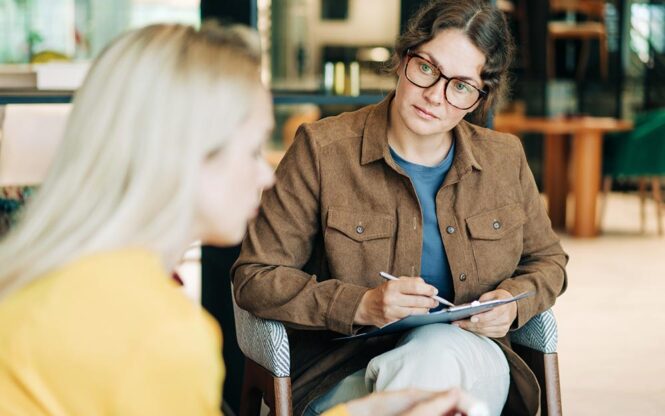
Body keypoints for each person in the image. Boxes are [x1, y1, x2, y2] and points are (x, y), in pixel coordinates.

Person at [0, 22, 485, 416]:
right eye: (252, 150)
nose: (265, 177)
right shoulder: (163, 336)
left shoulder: (53, 282)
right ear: (182, 155)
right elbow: (257, 277)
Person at [232, 1, 569, 415]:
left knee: (433, 353)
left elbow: (549, 262)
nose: (435, 96)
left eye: (461, 85)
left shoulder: (504, 158)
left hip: (469, 360)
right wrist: (359, 305)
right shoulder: (321, 151)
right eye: (427, 68)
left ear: (481, 96)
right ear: (403, 57)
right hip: (341, 373)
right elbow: (255, 278)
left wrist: (514, 303)